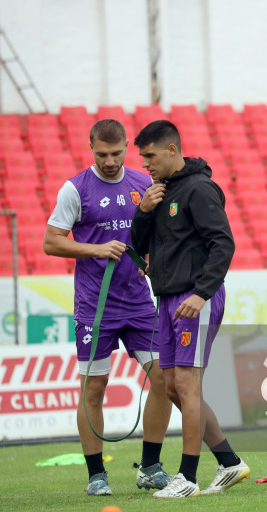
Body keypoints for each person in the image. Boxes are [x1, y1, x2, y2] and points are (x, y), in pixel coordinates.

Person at [43, 119, 173, 496]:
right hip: (95, 308)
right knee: (94, 388)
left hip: (139, 304)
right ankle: (96, 475)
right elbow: (51, 242)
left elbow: (155, 237)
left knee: (164, 379)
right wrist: (96, 249)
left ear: (127, 147)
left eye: (117, 153)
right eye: (102, 154)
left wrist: (151, 262)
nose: (110, 161)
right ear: (91, 148)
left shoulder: (143, 183)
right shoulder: (75, 188)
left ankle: (150, 467)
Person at [130, 120, 249, 498]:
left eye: (150, 156)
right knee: (172, 387)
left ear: (171, 150)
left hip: (194, 300)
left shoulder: (199, 188)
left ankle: (188, 478)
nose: (145, 164)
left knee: (186, 384)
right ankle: (229, 462)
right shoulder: (158, 192)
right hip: (167, 300)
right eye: (142, 157)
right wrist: (143, 211)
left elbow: (223, 244)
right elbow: (137, 247)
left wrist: (201, 294)